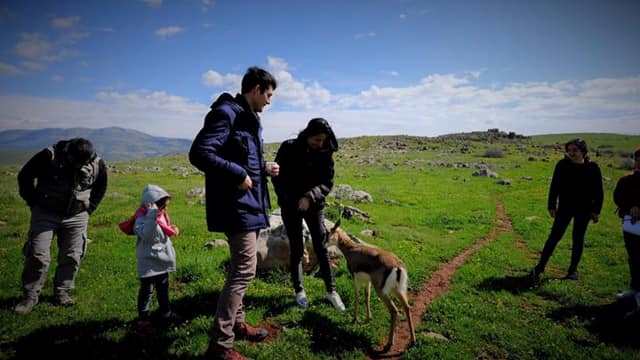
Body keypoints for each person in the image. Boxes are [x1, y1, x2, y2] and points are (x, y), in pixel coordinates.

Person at [189, 66, 278, 360]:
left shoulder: (247, 118)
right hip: (236, 206)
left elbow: (241, 157)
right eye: (268, 95)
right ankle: (221, 345)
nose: (269, 101)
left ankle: (237, 325)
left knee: (241, 269)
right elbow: (200, 152)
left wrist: (264, 169)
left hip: (249, 204)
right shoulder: (226, 113)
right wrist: (238, 173)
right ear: (255, 89)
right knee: (243, 271)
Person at [14, 138, 108, 314]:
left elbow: (101, 186)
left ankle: (62, 293)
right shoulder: (49, 156)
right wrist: (33, 202)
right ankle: (30, 296)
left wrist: (89, 209)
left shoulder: (97, 163)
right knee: (38, 254)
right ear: (68, 154)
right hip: (45, 213)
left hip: (77, 215)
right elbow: (25, 176)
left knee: (72, 255)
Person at [272, 118, 345, 311]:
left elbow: (327, 183)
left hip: (314, 206)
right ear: (308, 134)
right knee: (296, 247)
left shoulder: (325, 152)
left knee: (321, 247)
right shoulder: (289, 148)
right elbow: (277, 178)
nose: (319, 144)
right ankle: (299, 291)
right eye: (316, 139)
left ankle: (331, 291)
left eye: (322, 140)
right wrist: (289, 200)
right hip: (290, 206)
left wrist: (310, 196)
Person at [530, 138, 603, 282]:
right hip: (565, 207)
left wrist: (596, 210)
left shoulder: (593, 168)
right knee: (554, 236)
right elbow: (555, 186)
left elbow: (599, 191)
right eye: (569, 150)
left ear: (583, 151)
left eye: (575, 150)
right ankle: (540, 267)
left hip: (584, 210)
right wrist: (551, 205)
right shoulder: (562, 165)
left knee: (578, 239)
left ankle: (572, 271)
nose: (571, 153)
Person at [123, 184, 180, 330]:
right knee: (146, 290)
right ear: (151, 205)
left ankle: (165, 313)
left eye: (164, 206)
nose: (163, 209)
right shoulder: (141, 218)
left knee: (163, 289)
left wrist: (172, 228)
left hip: (161, 260)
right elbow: (147, 235)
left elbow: (163, 232)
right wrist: (151, 215)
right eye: (161, 206)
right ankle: (143, 318)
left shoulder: (160, 216)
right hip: (148, 261)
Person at [613, 147, 640, 315]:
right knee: (634, 258)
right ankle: (635, 290)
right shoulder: (627, 180)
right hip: (632, 226)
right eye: (638, 159)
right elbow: (618, 197)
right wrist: (631, 206)